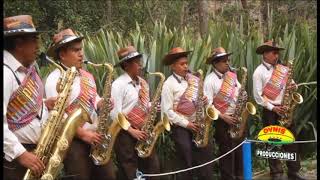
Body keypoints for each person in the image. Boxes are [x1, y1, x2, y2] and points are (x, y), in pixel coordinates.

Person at [45, 28, 116, 180]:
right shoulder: (55, 78)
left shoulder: (87, 76)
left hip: (96, 138)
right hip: (73, 142)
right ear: (62, 55)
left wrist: (102, 103)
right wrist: (83, 134)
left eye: (81, 49)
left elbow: (94, 99)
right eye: (75, 50)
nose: (81, 54)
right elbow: (57, 116)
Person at [3, 15, 56, 180]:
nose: (38, 46)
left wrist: (44, 104)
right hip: (15, 159)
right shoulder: (6, 74)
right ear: (19, 44)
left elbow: (19, 104)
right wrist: (21, 154)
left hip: (36, 150)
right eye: (34, 40)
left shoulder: (29, 68)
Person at [253, 40, 306, 180]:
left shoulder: (282, 68)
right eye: (274, 53)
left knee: (291, 141)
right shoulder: (258, 72)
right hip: (271, 110)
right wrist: (274, 108)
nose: (277, 55)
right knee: (272, 143)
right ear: (265, 54)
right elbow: (258, 97)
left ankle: (294, 172)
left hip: (285, 108)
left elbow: (292, 83)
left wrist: (293, 86)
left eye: (278, 53)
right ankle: (276, 173)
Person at [161, 47, 213, 180]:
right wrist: (187, 124)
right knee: (186, 158)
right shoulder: (168, 84)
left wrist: (205, 100)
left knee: (205, 157)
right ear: (173, 66)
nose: (186, 66)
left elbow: (204, 98)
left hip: (199, 123)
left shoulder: (194, 79)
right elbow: (167, 111)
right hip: (181, 127)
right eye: (182, 64)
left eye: (186, 63)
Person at [110, 45, 160, 180]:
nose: (141, 65)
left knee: (152, 166)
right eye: (137, 63)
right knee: (129, 169)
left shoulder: (143, 83)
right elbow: (115, 113)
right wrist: (131, 130)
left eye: (140, 62)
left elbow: (144, 105)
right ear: (126, 65)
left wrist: (152, 106)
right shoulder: (118, 85)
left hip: (143, 130)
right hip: (124, 133)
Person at [203, 47, 244, 180]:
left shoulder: (231, 76)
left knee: (239, 151)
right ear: (215, 63)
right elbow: (207, 105)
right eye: (224, 61)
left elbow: (238, 92)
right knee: (226, 153)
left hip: (236, 117)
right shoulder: (209, 80)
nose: (228, 63)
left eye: (228, 60)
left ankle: (240, 176)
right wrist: (223, 116)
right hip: (222, 121)